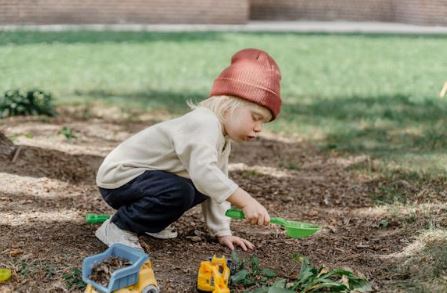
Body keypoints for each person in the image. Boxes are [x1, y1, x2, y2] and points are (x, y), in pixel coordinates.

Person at [95, 48, 282, 251]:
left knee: (202, 187)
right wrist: (246, 201)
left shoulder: (221, 137)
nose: (258, 128)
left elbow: (216, 185)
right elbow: (205, 174)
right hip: (119, 179)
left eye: (263, 122)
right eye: (255, 117)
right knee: (182, 190)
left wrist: (223, 232)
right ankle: (118, 227)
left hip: (142, 180)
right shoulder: (204, 123)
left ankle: (150, 223)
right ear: (228, 106)